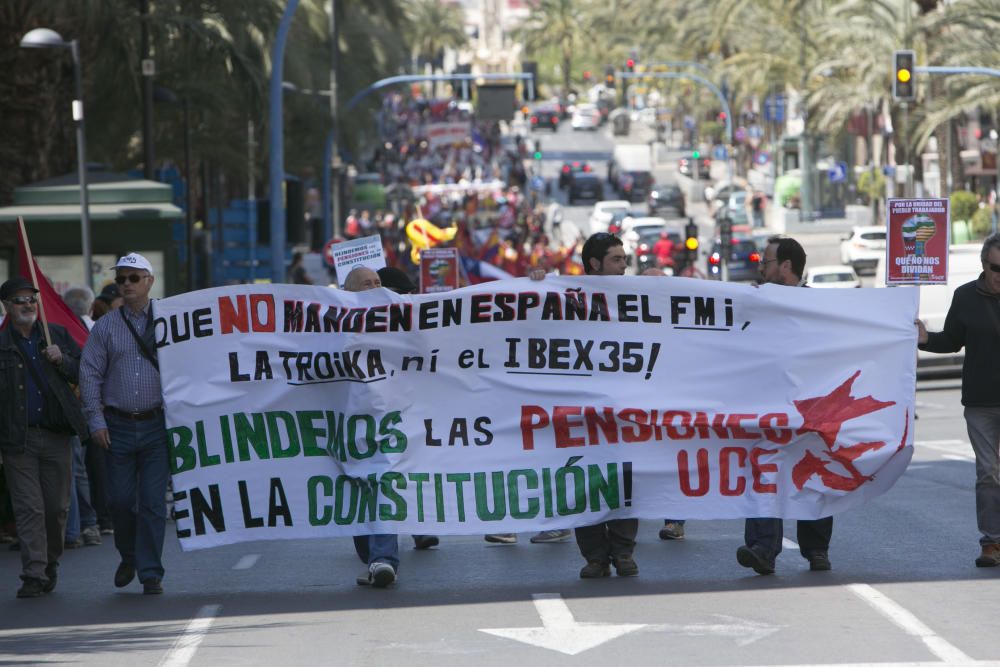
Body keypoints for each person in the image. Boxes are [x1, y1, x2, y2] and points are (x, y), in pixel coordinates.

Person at [736, 236, 833, 575]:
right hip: (767, 407)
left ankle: (816, 549)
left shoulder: (818, 307)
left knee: (812, 474)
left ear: (786, 266)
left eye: (767, 262)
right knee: (764, 473)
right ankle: (762, 548)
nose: (761, 267)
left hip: (809, 406)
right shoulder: (757, 302)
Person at [80, 253, 168, 595]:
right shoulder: (106, 326)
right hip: (116, 425)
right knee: (119, 500)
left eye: (134, 278)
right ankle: (129, 555)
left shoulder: (171, 320)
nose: (127, 284)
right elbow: (89, 373)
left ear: (149, 281)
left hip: (157, 424)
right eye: (122, 279)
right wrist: (96, 419)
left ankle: (150, 572)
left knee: (151, 501)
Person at [0, 277, 89, 598]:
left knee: (56, 509)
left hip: (56, 435)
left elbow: (84, 372)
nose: (27, 305)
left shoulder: (57, 335)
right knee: (29, 509)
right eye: (19, 300)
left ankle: (50, 562)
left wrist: (61, 360)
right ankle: (33, 572)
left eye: (31, 300)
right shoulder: (2, 342)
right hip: (17, 440)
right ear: (7, 306)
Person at [917, 232, 1000, 567]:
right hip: (980, 402)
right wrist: (924, 339)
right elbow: (951, 341)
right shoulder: (965, 297)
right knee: (988, 473)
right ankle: (991, 543)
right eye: (997, 268)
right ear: (984, 266)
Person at [572, 232, 639, 578]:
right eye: (616, 260)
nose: (623, 267)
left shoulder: (635, 297)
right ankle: (595, 556)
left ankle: (623, 552)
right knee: (583, 481)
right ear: (594, 264)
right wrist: (535, 282)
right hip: (580, 412)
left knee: (625, 480)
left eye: (624, 259)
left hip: (624, 410)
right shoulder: (564, 298)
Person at [341, 267, 399, 587]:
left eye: (379, 282)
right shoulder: (330, 326)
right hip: (346, 426)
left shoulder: (399, 320)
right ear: (349, 291)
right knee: (355, 489)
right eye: (368, 284)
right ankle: (372, 554)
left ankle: (382, 559)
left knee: (381, 483)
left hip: (388, 422)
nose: (376, 287)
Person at [377, 266, 440, 551]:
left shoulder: (416, 323)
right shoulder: (353, 326)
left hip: (408, 410)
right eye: (403, 294)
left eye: (411, 294)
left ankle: (417, 527)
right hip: (371, 415)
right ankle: (373, 545)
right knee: (375, 477)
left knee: (411, 469)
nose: (408, 300)